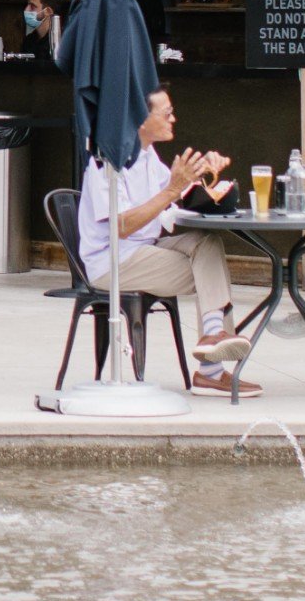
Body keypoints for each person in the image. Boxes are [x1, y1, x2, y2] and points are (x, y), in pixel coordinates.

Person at [73, 86, 255, 394]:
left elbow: (176, 195)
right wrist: (172, 190)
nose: (173, 119)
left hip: (144, 250)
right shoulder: (108, 161)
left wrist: (202, 171)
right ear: (140, 119)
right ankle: (211, 367)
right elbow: (122, 226)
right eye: (167, 113)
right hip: (112, 261)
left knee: (208, 243)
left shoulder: (147, 156)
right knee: (210, 272)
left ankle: (213, 340)